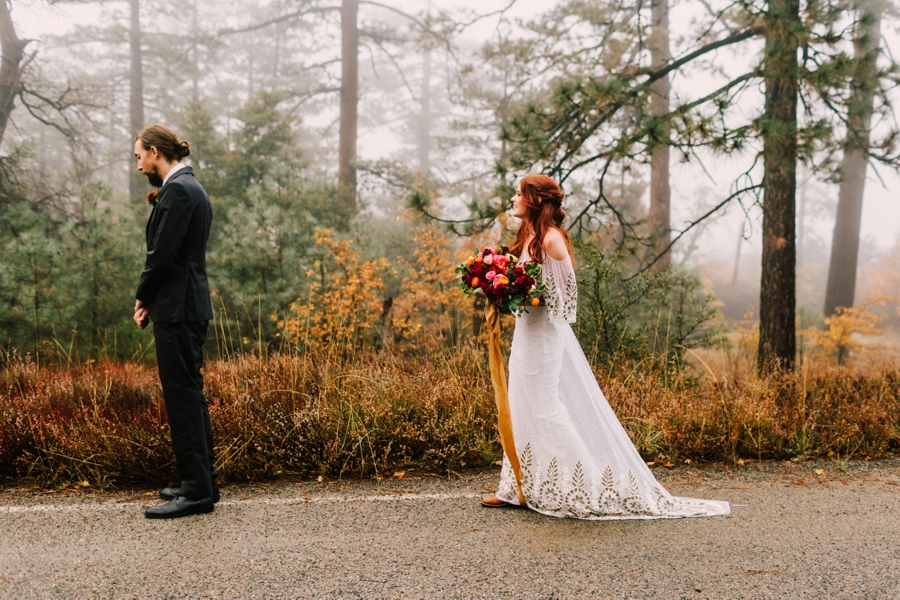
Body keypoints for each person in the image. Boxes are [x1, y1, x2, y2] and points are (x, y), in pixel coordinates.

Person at [481, 174, 729, 519]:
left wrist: (522, 295)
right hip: (525, 335)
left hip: (546, 338)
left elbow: (568, 300)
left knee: (546, 409)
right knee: (521, 405)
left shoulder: (552, 240)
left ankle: (587, 486)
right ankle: (518, 487)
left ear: (535, 200)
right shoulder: (528, 237)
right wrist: (502, 291)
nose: (512, 199)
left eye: (518, 194)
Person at [133, 125, 219, 519]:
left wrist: (143, 297)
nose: (138, 166)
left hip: (179, 308)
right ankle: (198, 483)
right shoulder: (188, 187)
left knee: (182, 397)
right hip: (184, 305)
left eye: (139, 157)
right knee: (189, 394)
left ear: (154, 152)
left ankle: (198, 491)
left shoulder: (180, 190)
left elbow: (161, 255)